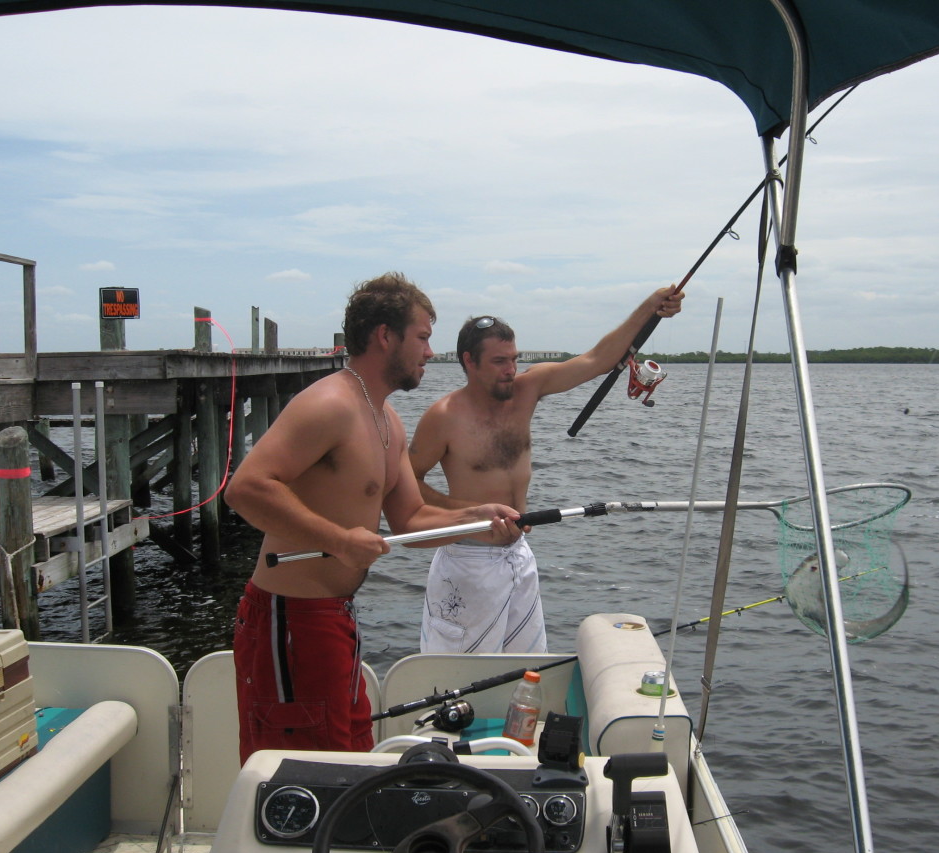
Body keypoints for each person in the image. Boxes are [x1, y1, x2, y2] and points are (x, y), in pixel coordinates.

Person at [224, 272, 522, 764]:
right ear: (386, 336)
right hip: (290, 620)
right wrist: (339, 539)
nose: (430, 352)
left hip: (336, 619)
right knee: (300, 775)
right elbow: (247, 488)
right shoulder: (330, 403)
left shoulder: (387, 420)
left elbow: (410, 518)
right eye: (423, 337)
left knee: (350, 757)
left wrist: (474, 517)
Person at [409, 285, 684, 654]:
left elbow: (598, 358)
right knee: (458, 678)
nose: (511, 370)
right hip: (467, 560)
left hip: (519, 554)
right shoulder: (442, 417)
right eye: (499, 362)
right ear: (469, 361)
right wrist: (466, 514)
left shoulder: (528, 389)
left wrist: (651, 307)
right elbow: (407, 482)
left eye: (514, 359)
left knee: (526, 667)